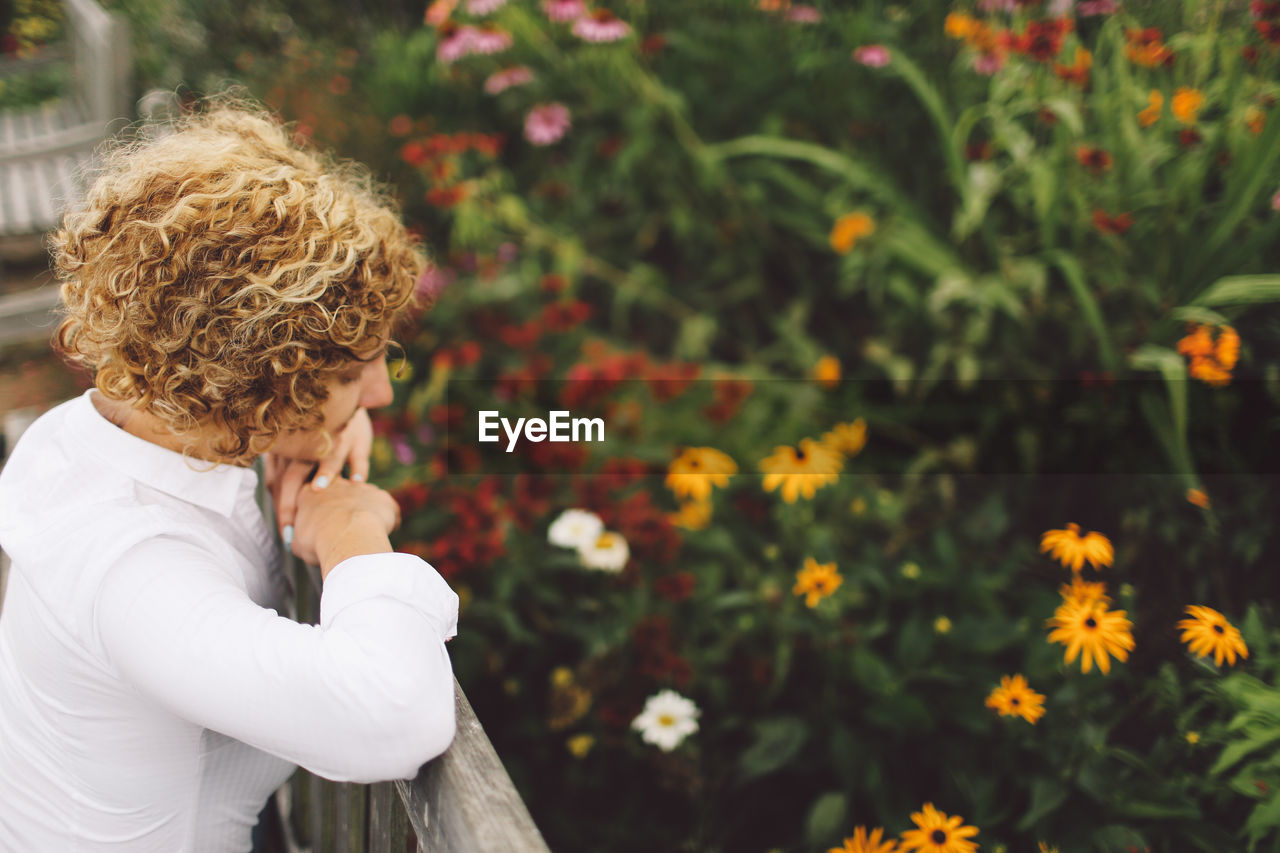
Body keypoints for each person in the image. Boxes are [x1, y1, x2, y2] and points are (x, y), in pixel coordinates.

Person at [0, 97, 458, 852]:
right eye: (352, 371)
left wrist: (307, 412)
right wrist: (351, 532)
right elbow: (390, 716)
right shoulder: (131, 567)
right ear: (241, 378)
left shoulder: (83, 434)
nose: (381, 392)